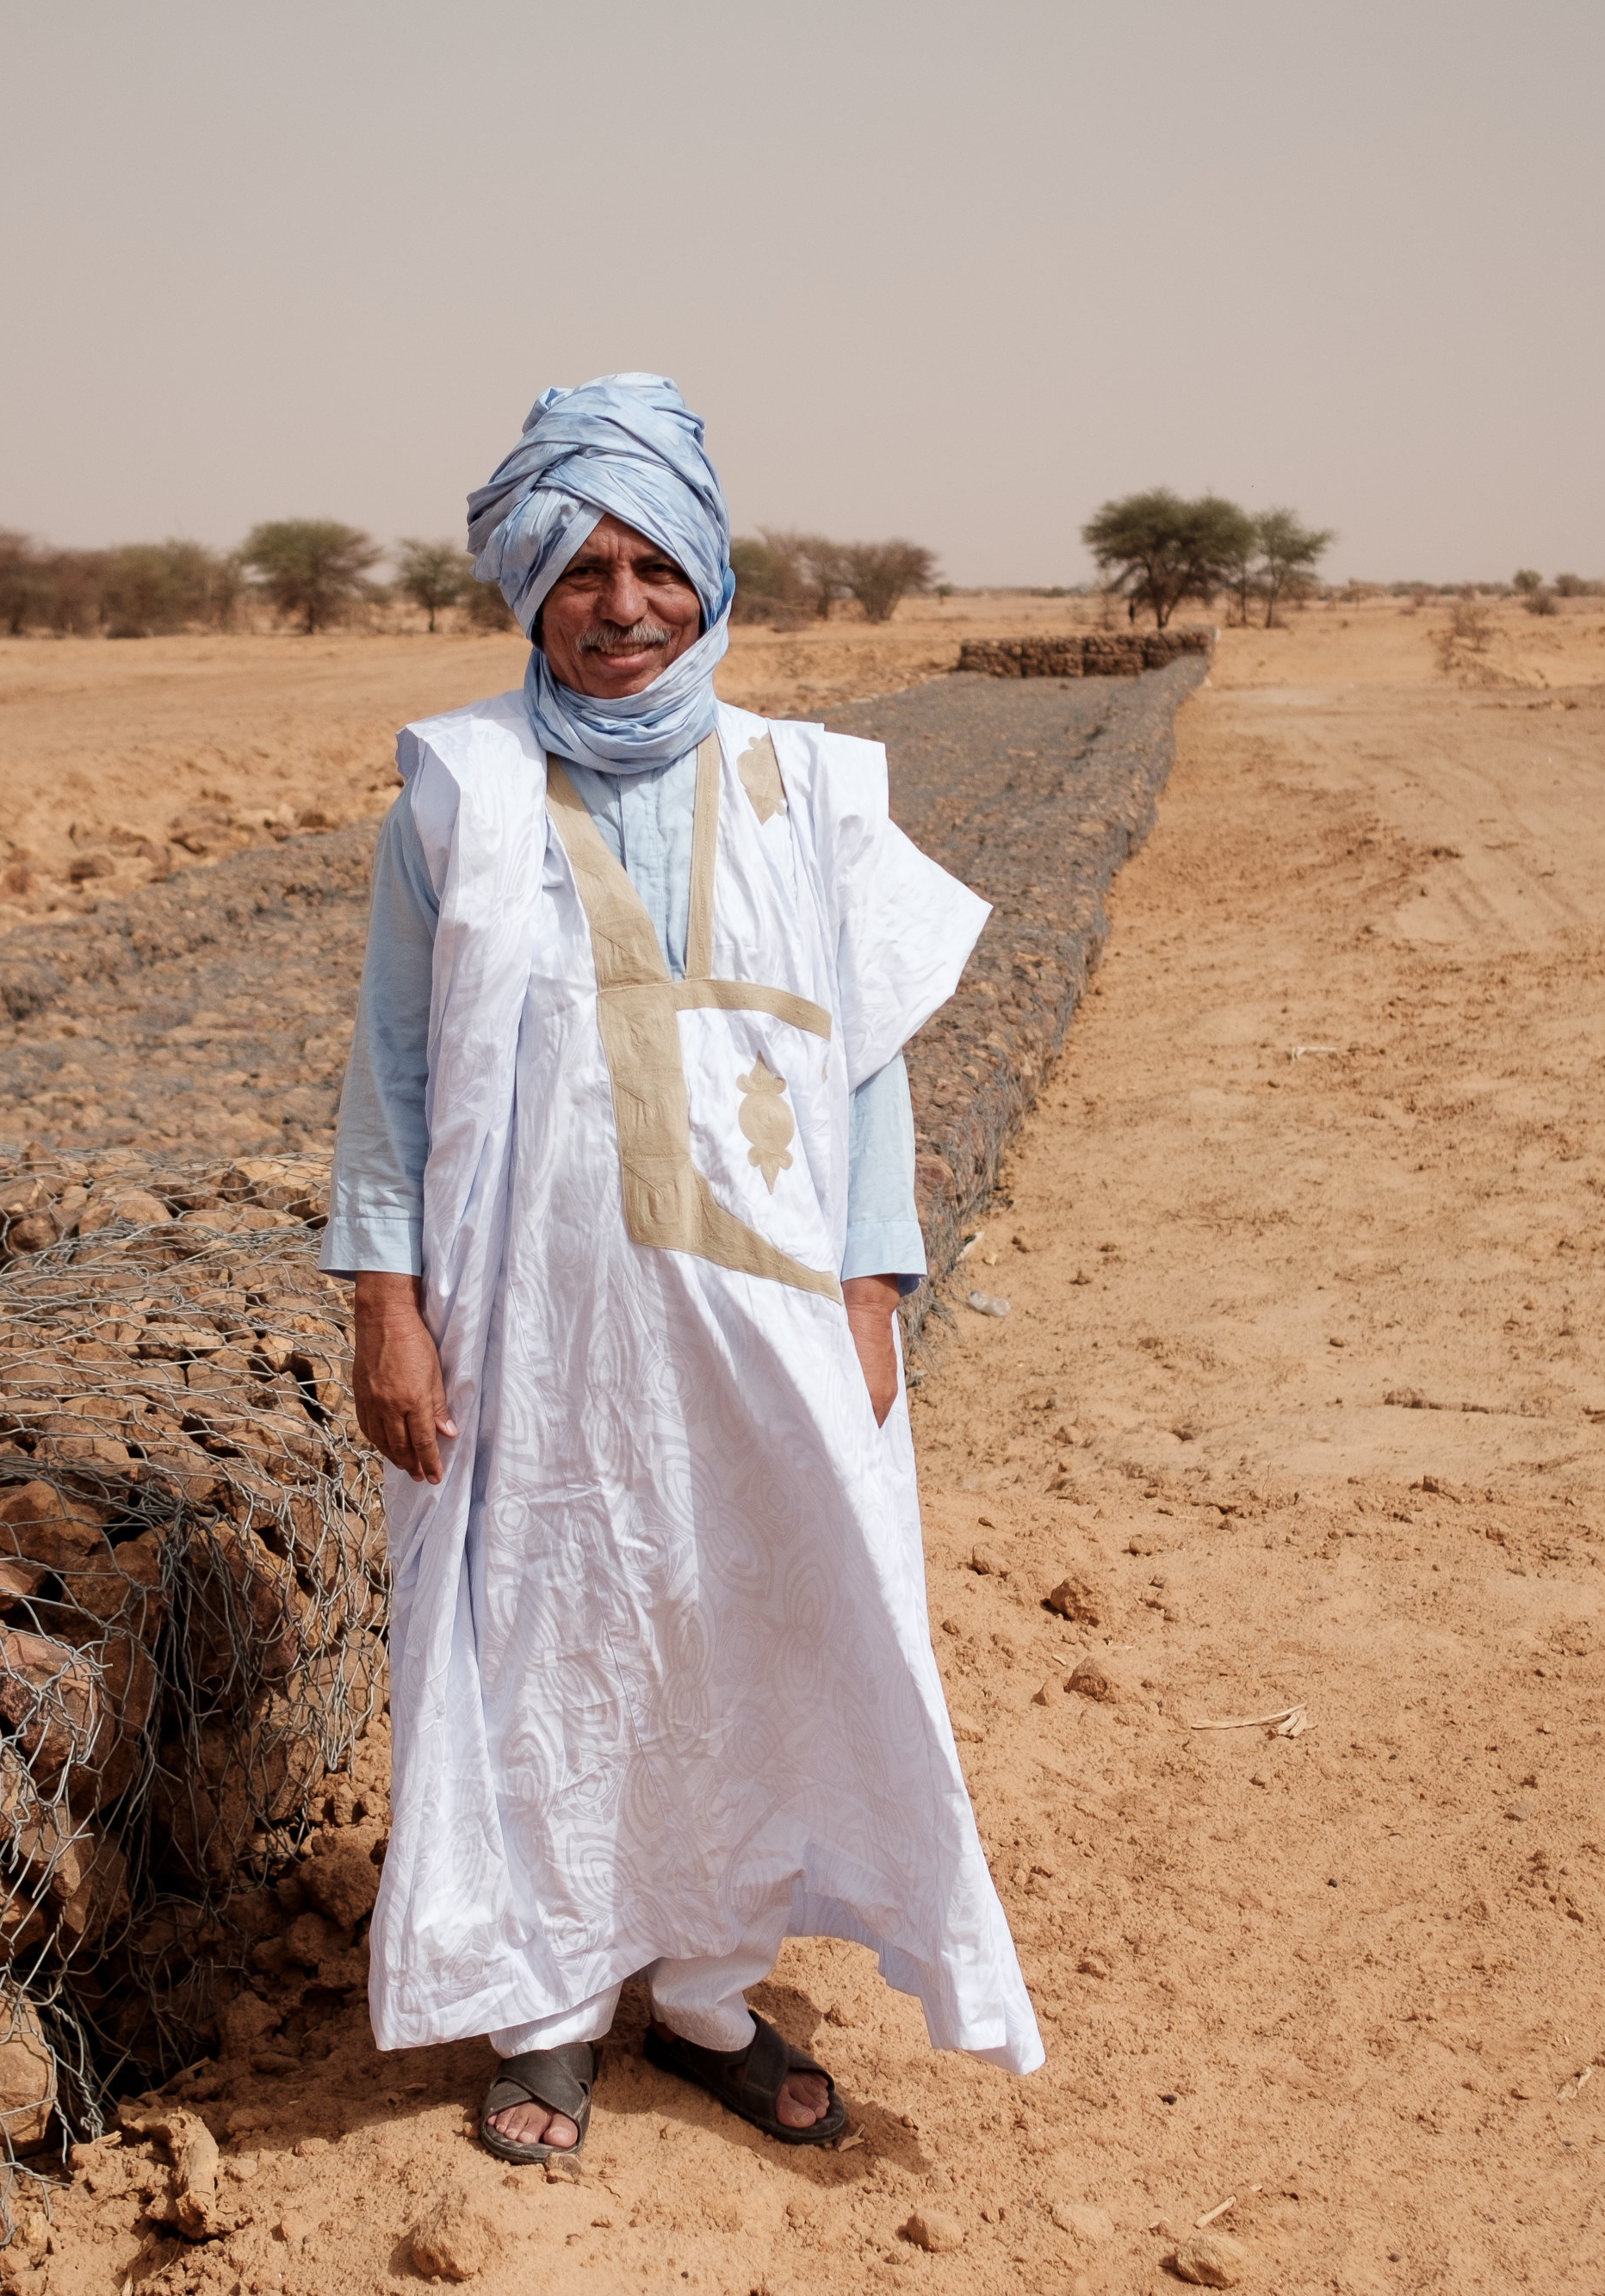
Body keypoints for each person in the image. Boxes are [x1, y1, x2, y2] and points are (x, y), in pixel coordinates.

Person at [324, 374, 1039, 2164]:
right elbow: (391, 1072)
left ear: (709, 578)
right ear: (529, 589)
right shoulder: (460, 784)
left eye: (653, 563)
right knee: (548, 1626)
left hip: (773, 1307)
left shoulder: (808, 783)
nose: (620, 602)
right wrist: (386, 1305)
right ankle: (550, 2003)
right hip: (530, 1322)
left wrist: (873, 1285)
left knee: (756, 1618)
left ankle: (709, 1990)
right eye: (581, 566)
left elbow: (867, 1054)